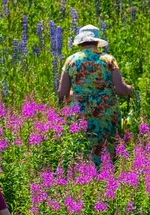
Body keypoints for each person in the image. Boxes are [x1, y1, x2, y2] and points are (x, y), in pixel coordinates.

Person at [57, 24, 133, 168]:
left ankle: (85, 180)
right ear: (97, 42)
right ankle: (109, 180)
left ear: (80, 42)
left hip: (81, 113)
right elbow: (120, 89)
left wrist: (77, 95)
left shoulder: (71, 61)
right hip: (106, 112)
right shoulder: (108, 60)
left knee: (83, 150)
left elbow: (62, 94)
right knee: (108, 149)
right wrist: (132, 90)